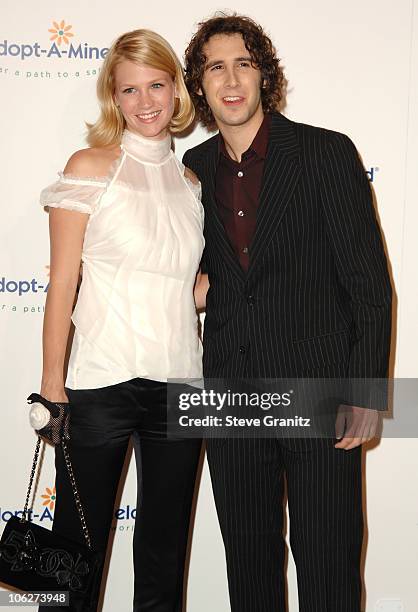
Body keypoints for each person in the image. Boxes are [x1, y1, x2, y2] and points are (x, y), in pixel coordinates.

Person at [183, 13, 392, 612]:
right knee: (249, 568)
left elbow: (370, 284)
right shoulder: (189, 171)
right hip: (230, 395)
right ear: (199, 82)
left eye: (243, 64)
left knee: (328, 564)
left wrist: (366, 392)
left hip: (319, 391)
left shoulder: (325, 152)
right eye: (215, 66)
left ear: (263, 76)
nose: (230, 79)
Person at [38, 28, 206, 612]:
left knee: (164, 553)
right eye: (129, 90)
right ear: (114, 98)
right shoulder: (90, 166)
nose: (145, 101)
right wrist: (52, 385)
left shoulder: (190, 184)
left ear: (176, 89)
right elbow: (62, 284)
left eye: (156, 84)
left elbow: (186, 289)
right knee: (71, 556)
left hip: (180, 385)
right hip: (99, 384)